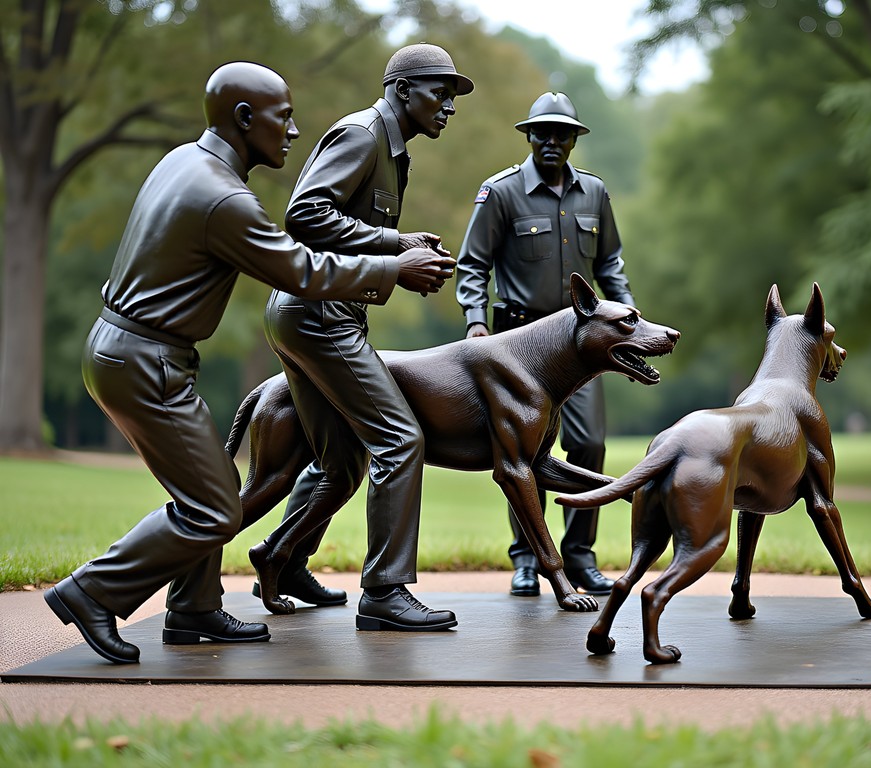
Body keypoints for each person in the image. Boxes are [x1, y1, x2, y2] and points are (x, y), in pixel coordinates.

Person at [43, 61, 450, 664]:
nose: (293, 131)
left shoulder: (185, 161)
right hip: (144, 361)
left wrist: (392, 247)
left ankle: (194, 609)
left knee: (214, 488)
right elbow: (300, 268)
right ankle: (90, 592)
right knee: (214, 508)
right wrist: (396, 265)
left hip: (141, 355)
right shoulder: (224, 198)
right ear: (243, 119)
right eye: (282, 117)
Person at [244, 43, 472, 631]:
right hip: (317, 316)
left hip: (314, 314)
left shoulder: (393, 149)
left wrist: (406, 243)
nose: (449, 106)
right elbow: (305, 215)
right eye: (439, 94)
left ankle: (283, 559)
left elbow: (348, 226)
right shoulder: (363, 135)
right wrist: (395, 247)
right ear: (402, 91)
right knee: (401, 440)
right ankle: (385, 592)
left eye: (452, 97)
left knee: (340, 460)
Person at [454, 92, 635, 598]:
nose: (551, 141)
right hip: (521, 345)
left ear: (575, 139)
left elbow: (610, 265)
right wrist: (475, 322)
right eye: (542, 132)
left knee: (590, 443)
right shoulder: (502, 193)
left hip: (584, 345)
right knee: (522, 453)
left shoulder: (594, 194)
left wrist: (631, 320)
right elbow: (472, 265)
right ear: (528, 135)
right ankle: (529, 558)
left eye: (562, 133)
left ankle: (580, 555)